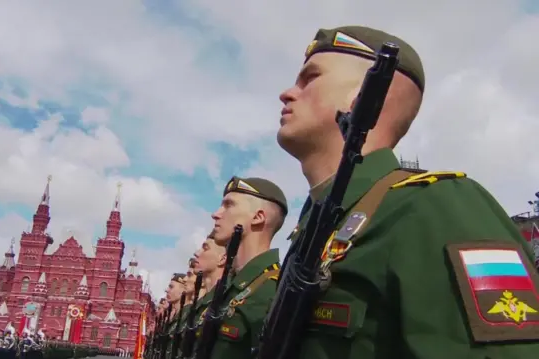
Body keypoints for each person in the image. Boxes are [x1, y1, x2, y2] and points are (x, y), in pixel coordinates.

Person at [275, 25, 539, 358]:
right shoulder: (313, 228)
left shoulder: (436, 207)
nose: (287, 93)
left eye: (309, 78)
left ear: (365, 96)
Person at [208, 176, 287, 359]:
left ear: (258, 217)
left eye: (229, 205)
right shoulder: (233, 287)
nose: (216, 214)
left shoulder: (272, 290)